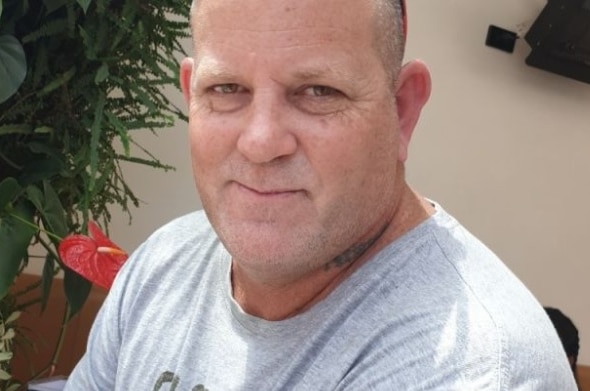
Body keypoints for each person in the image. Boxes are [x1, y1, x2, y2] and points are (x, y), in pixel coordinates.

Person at [64, 0, 577, 389]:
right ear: (190, 95)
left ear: (401, 111)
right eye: (226, 89)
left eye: (318, 92)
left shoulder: (469, 366)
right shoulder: (162, 264)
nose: (261, 142)